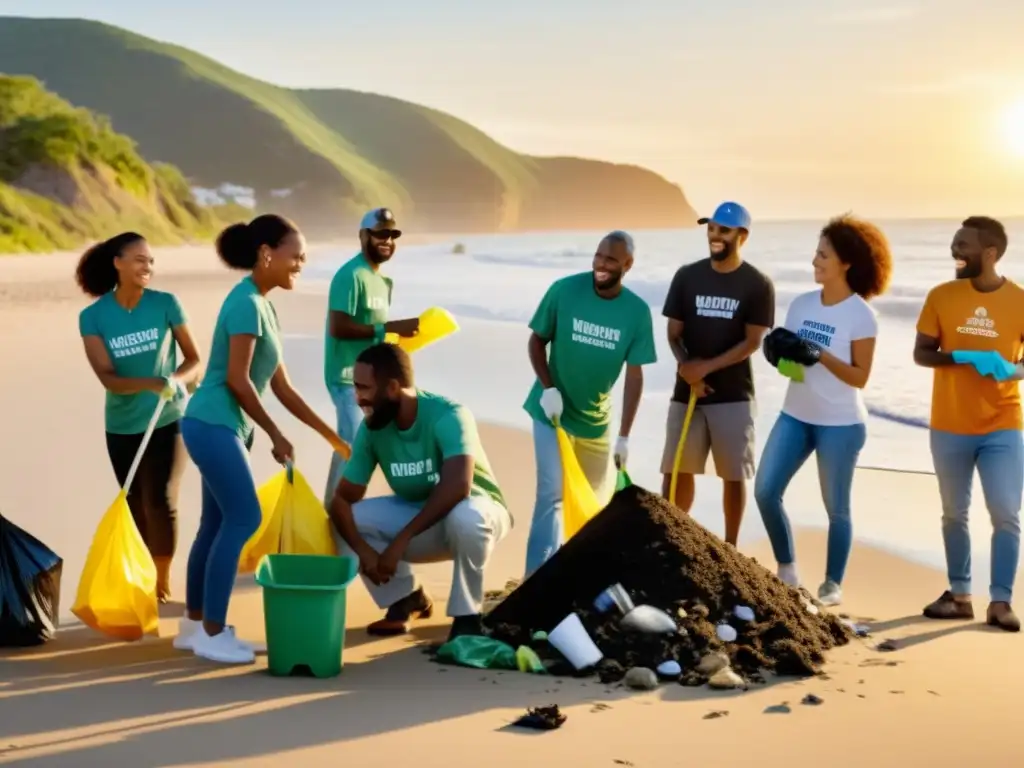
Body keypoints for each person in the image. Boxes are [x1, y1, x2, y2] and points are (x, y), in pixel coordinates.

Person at [174, 214, 349, 664]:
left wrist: (329, 434)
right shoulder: (246, 304)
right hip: (214, 423)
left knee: (215, 525)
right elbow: (237, 379)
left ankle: (194, 625)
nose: (301, 264)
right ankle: (213, 632)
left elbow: (280, 386)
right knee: (244, 518)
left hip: (220, 426)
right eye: (296, 256)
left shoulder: (263, 305)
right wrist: (274, 433)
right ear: (267, 253)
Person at [329, 343, 512, 640]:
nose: (357, 397)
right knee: (347, 519)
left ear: (391, 388)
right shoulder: (373, 428)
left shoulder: (449, 415)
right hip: (423, 521)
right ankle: (405, 599)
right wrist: (365, 552)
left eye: (364, 388)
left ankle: (467, 616)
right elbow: (341, 500)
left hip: (477, 512)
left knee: (465, 518)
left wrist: (401, 541)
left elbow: (457, 487)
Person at [754, 215, 892, 606]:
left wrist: (820, 354)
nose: (815, 261)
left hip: (841, 424)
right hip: (795, 415)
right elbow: (796, 371)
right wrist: (777, 359)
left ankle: (832, 585)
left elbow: (859, 377)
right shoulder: (801, 305)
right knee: (766, 491)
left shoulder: (861, 315)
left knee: (837, 509)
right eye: (816, 253)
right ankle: (787, 569)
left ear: (845, 263)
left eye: (823, 255)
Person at [522, 231, 657, 576]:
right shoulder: (564, 290)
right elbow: (537, 341)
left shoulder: (637, 313)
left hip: (597, 424)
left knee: (594, 508)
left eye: (611, 259)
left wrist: (625, 435)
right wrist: (547, 388)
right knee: (552, 494)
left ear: (627, 265)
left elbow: (635, 376)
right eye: (598, 256)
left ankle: (575, 579)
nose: (601, 264)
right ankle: (536, 580)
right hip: (552, 415)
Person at [76, 232, 201, 603]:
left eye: (150, 261)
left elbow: (194, 360)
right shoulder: (93, 317)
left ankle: (161, 582)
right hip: (121, 424)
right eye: (139, 259)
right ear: (117, 262)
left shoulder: (166, 304)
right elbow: (108, 379)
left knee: (160, 499)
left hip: (168, 416)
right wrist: (153, 382)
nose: (147, 266)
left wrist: (176, 381)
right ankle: (144, 571)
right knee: (134, 503)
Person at [913, 216, 1024, 633]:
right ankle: (960, 596)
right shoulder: (941, 296)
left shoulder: (1020, 300)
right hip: (949, 423)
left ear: (990, 253)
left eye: (964, 245)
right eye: (954, 243)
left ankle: (1000, 601)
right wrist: (959, 357)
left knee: (1006, 512)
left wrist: (1011, 371)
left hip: (1003, 423)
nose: (955, 251)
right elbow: (922, 352)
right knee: (953, 513)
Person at [661, 202, 774, 545]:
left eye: (723, 230)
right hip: (688, 392)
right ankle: (672, 539)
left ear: (742, 236)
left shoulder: (757, 284)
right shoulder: (687, 276)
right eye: (711, 228)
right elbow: (673, 333)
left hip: (733, 394)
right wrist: (687, 369)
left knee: (734, 475)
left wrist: (704, 369)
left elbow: (753, 342)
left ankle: (731, 548)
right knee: (676, 468)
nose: (714, 236)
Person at [323, 208, 421, 507]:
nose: (387, 240)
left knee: (356, 446)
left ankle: (338, 511)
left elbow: (373, 332)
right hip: (345, 378)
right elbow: (339, 326)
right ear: (363, 236)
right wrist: (388, 327)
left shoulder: (383, 282)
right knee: (352, 447)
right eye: (380, 234)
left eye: (392, 235)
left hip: (372, 379)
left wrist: (396, 341)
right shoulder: (351, 275)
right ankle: (335, 515)